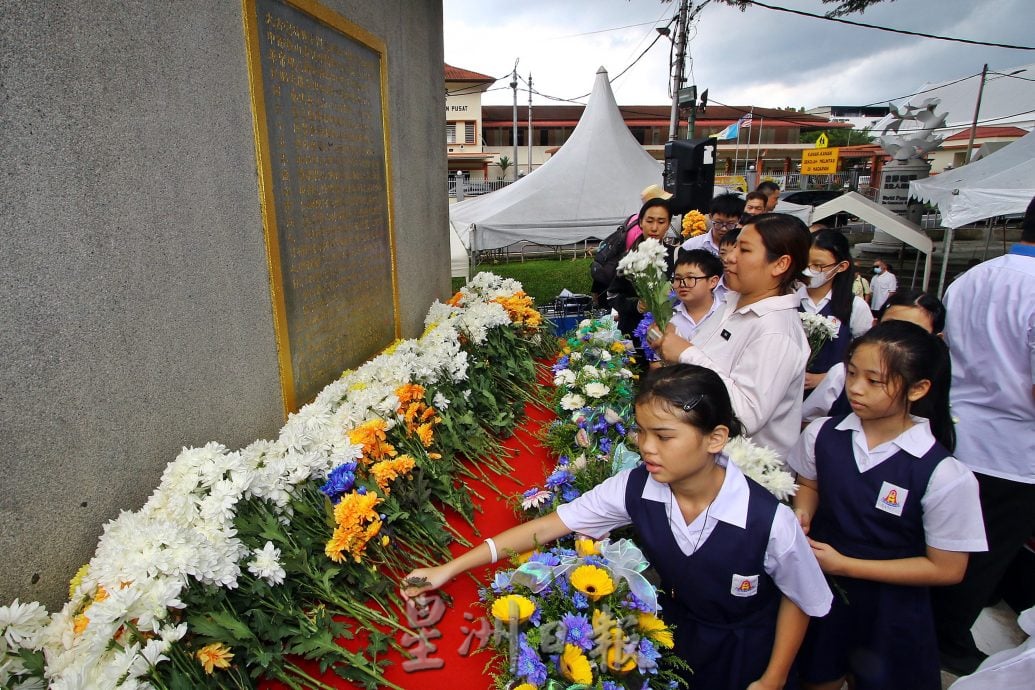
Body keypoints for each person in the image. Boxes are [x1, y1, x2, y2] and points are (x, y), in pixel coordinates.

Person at [402, 364, 833, 690]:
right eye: (641, 432)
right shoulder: (635, 488)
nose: (646, 447)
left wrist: (772, 679)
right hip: (674, 640)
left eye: (664, 436)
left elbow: (802, 598)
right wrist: (451, 568)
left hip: (747, 656)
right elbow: (548, 527)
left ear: (715, 438)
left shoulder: (767, 520)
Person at [788, 321, 987, 690]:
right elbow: (809, 485)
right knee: (815, 675)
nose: (855, 388)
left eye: (874, 380)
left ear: (919, 388)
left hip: (891, 611)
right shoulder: (822, 434)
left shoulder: (944, 474)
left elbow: (947, 568)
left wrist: (847, 565)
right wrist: (804, 512)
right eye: (851, 373)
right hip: (822, 590)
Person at [931, 195, 1035, 676]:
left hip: (959, 433)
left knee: (951, 545)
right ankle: (948, 640)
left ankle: (942, 628)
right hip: (1013, 449)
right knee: (984, 557)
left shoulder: (971, 278)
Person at [656, 213, 811, 460]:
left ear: (780, 264)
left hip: (740, 477)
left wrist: (686, 353)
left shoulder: (775, 331)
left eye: (745, 250)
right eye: (734, 246)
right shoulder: (732, 305)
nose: (729, 257)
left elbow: (747, 415)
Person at [801, 288, 945, 424]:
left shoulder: (947, 392)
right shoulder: (842, 374)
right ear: (875, 324)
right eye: (890, 326)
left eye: (914, 332)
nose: (898, 339)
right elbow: (807, 419)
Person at [798, 229, 873, 391]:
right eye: (805, 263)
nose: (809, 270)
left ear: (841, 266)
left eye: (818, 265)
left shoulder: (855, 307)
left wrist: (828, 377)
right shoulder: (789, 299)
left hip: (831, 392)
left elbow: (866, 355)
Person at [606, 197, 675, 337]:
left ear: (668, 225)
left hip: (669, 333)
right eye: (649, 221)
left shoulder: (677, 255)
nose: (654, 228)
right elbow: (612, 296)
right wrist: (636, 305)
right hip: (634, 333)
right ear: (641, 222)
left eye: (661, 222)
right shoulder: (628, 259)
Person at [670, 249, 724, 341]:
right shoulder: (668, 317)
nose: (683, 284)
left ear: (713, 282)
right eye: (678, 278)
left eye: (690, 278)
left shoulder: (726, 314)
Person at [680, 193, 744, 256]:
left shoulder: (744, 247)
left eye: (730, 224)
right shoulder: (692, 245)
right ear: (710, 217)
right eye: (719, 223)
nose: (724, 229)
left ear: (739, 220)